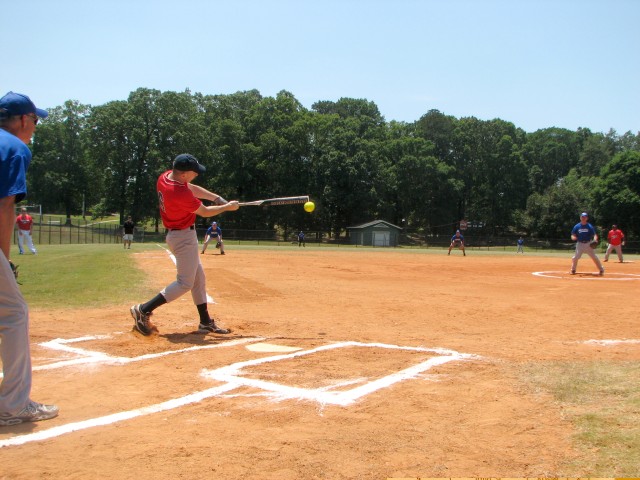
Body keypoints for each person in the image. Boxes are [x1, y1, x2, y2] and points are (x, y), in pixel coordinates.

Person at [130, 154, 239, 336]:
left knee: (198, 279)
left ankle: (205, 322)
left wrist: (216, 198)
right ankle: (143, 310)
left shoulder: (166, 177)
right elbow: (203, 212)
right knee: (185, 283)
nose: (197, 175)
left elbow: (192, 188)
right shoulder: (178, 193)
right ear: (183, 174)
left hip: (180, 234)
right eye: (194, 172)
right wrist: (226, 207)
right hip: (182, 237)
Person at [0, 91, 59, 425]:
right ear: (22, 120)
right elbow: (5, 205)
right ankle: (13, 405)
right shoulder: (14, 147)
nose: (35, 128)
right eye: (34, 121)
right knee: (13, 312)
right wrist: (4, 259)